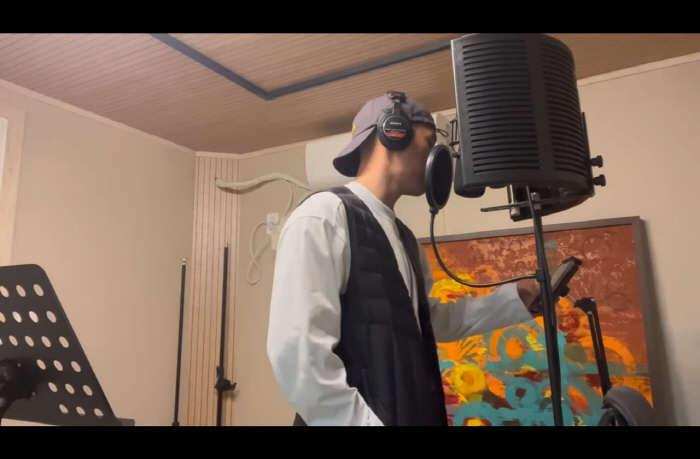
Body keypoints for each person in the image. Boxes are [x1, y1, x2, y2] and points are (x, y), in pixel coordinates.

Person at [266, 91, 542, 426]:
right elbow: (299, 355)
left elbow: (430, 321)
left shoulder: (405, 238)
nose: (435, 158)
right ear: (392, 132)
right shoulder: (323, 216)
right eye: (429, 143)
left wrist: (514, 300)